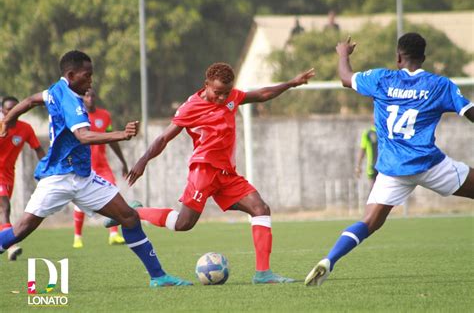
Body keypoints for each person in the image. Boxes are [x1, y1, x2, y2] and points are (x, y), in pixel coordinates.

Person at [107, 62, 315, 284]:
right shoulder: (190, 107)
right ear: (206, 85)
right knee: (183, 224)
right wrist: (143, 160)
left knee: (260, 209)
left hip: (227, 174)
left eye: (226, 93)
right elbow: (163, 138)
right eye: (217, 92)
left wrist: (291, 83)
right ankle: (135, 212)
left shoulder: (231, 97)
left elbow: (262, 94)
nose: (222, 98)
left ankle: (263, 273)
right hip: (203, 170)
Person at [0, 50, 191, 287]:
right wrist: (121, 134)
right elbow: (83, 136)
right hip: (58, 178)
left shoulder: (56, 90)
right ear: (71, 75)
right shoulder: (70, 100)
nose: (91, 81)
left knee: (129, 217)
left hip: (83, 177)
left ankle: (158, 277)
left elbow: (30, 101)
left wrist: (9, 119)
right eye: (87, 76)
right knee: (20, 230)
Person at [305, 33, 474, 287]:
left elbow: (345, 78)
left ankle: (330, 259)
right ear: (423, 58)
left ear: (398, 57)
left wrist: (343, 54)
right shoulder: (440, 85)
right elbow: (469, 112)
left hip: (392, 169)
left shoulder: (381, 78)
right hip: (430, 165)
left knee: (368, 222)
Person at [72, 88, 128, 248]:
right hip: (84, 165)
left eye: (92, 95)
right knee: (79, 201)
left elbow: (111, 140)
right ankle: (77, 237)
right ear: (82, 98)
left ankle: (114, 234)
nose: (89, 98)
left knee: (113, 194)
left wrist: (123, 162)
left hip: (102, 166)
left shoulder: (105, 116)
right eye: (86, 95)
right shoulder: (77, 116)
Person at [0, 96, 45, 261]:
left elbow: (38, 149)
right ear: (2, 110)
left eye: (14, 108)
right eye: (7, 109)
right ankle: (10, 246)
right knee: (5, 208)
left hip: (9, 175)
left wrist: (49, 167)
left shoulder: (25, 128)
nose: (11, 112)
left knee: (2, 210)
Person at [355, 123, 377, 191]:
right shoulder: (368, 133)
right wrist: (358, 166)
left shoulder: (369, 133)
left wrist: (358, 166)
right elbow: (362, 149)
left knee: (375, 192)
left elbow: (362, 150)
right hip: (375, 166)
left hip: (374, 166)